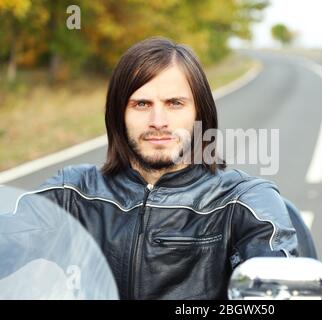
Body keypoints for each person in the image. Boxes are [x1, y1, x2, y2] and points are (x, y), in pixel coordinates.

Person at [36, 37, 300, 299]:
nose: (158, 121)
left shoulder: (245, 201)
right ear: (119, 114)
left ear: (200, 112)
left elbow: (273, 289)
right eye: (141, 104)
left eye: (175, 103)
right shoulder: (71, 192)